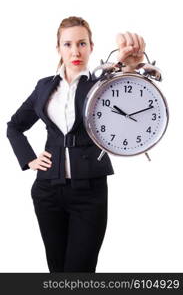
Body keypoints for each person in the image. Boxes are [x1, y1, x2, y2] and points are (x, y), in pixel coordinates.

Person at [6, 16, 145, 272]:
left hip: (90, 192)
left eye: (81, 43)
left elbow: (129, 99)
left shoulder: (101, 84)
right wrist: (29, 159)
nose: (75, 51)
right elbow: (14, 126)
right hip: (47, 190)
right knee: (57, 271)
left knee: (80, 272)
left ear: (91, 46)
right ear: (58, 48)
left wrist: (130, 68)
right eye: (67, 44)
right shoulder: (44, 86)